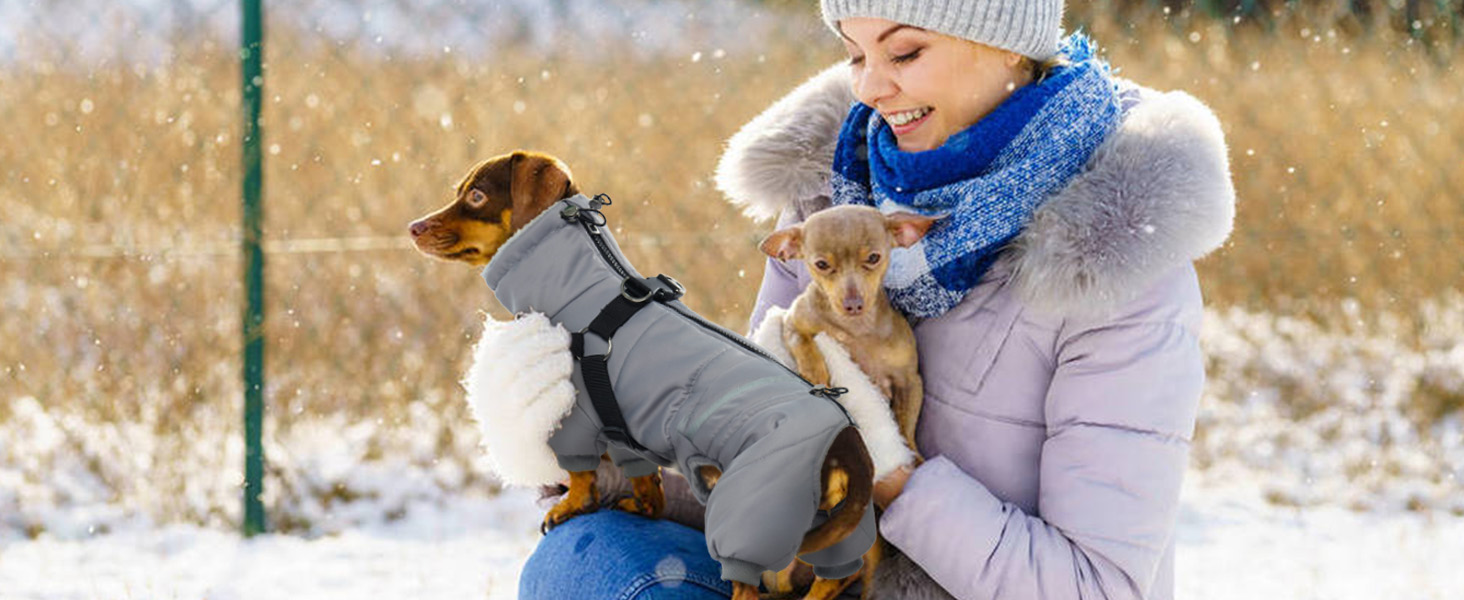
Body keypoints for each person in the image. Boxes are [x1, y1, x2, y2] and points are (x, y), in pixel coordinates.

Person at [519, 0, 1235, 597]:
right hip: (821, 572)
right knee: (590, 556)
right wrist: (623, 463)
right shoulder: (835, 199)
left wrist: (888, 470)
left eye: (905, 53)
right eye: (856, 54)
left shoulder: (1110, 259)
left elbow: (1100, 586)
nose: (868, 88)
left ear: (1011, 48)